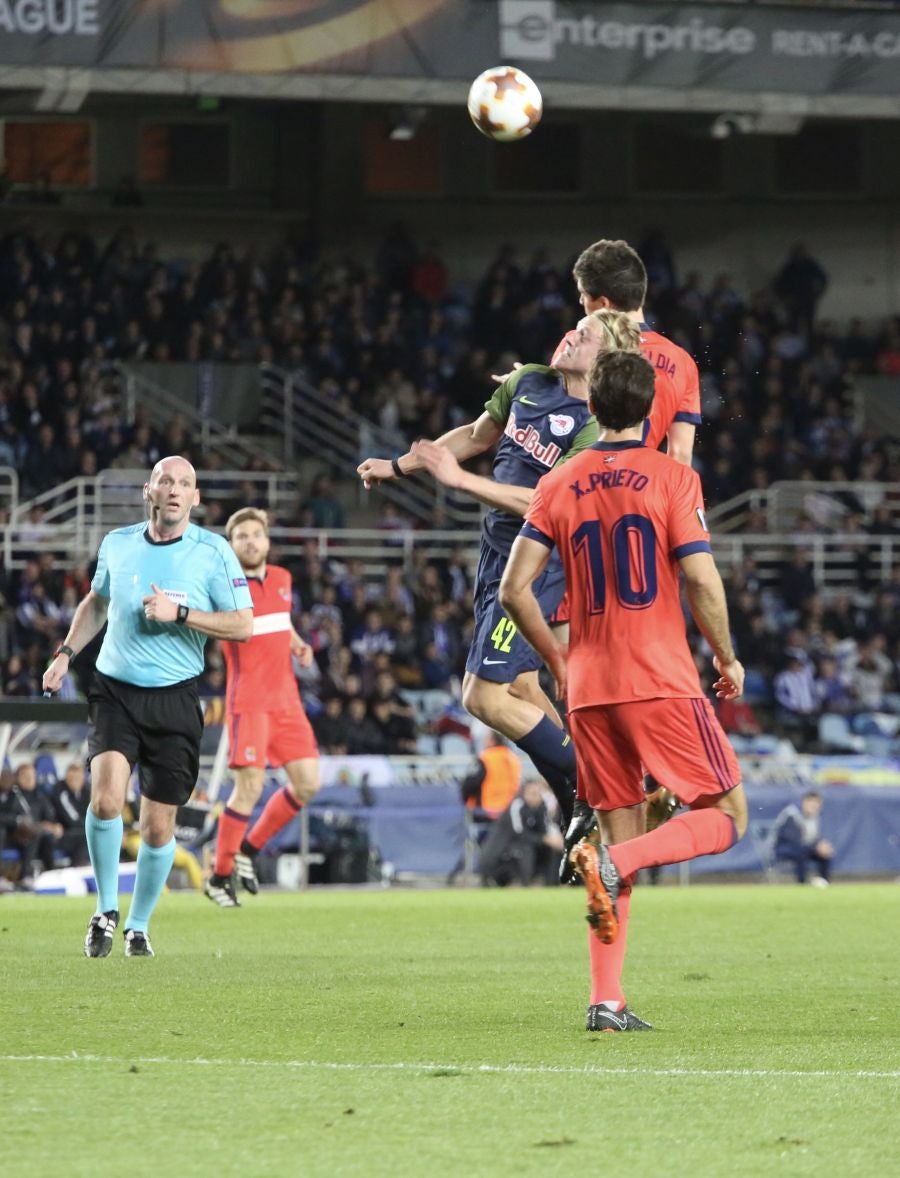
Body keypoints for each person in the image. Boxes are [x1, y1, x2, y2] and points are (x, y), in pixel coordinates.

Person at [499, 350, 748, 1032]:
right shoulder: (672, 476)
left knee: (622, 823)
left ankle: (606, 1000)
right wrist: (726, 655)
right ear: (649, 411)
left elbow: (513, 589)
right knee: (727, 814)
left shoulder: (560, 480)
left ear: (594, 407)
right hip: (658, 676)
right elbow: (699, 579)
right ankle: (615, 862)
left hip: (589, 686)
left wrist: (556, 659)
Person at [358, 310, 642, 831]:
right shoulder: (528, 380)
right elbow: (474, 434)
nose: (571, 335)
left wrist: (461, 483)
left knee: (482, 694)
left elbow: (546, 502)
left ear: (603, 360)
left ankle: (602, 782)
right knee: (525, 688)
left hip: (540, 563)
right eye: (574, 327)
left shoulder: (595, 427)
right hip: (497, 551)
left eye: (585, 336)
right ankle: (580, 811)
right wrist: (399, 465)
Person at [42, 456, 253, 958]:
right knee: (107, 800)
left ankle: (138, 924)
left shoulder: (214, 552)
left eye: (185, 484)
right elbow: (96, 602)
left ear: (195, 498)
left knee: (159, 828)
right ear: (149, 491)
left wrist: (180, 614)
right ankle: (106, 909)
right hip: (114, 689)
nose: (175, 490)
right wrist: (64, 655)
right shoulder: (117, 544)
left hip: (176, 696)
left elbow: (243, 624)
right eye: (166, 481)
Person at [205, 507, 321, 907]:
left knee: (307, 783)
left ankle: (248, 851)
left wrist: (297, 642)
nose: (251, 541)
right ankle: (218, 876)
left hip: (286, 700)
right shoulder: (224, 586)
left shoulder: (284, 580)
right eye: (242, 536)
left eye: (257, 534)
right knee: (249, 787)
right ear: (231, 545)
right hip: (249, 701)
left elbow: (279, 622)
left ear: (268, 541)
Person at [478, 779, 564, 887]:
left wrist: (554, 839)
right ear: (524, 793)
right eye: (532, 793)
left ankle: (553, 885)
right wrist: (545, 839)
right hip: (500, 854)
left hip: (521, 847)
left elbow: (544, 829)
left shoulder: (541, 807)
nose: (535, 797)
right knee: (526, 849)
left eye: (537, 793)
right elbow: (520, 834)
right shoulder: (517, 806)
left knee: (553, 847)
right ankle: (526, 884)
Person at [771, 790, 834, 886]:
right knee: (801, 852)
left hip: (806, 848)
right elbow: (793, 840)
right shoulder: (792, 814)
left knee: (825, 855)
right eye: (811, 803)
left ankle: (825, 882)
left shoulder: (816, 817)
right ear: (804, 802)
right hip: (784, 848)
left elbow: (814, 838)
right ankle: (802, 884)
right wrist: (815, 847)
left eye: (817, 803)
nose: (814, 806)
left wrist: (821, 846)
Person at [52, 761, 91, 867]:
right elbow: (72, 820)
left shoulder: (87, 791)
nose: (76, 781)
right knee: (86, 838)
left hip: (80, 830)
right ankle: (78, 869)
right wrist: (92, 828)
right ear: (67, 778)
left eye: (79, 778)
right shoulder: (60, 792)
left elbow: (95, 814)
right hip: (64, 834)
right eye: (73, 779)